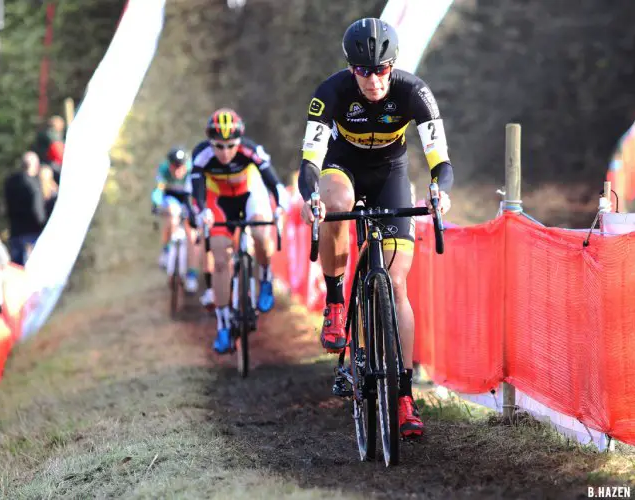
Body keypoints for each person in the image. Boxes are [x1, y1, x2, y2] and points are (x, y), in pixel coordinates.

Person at [296, 18, 454, 439]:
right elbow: (309, 161)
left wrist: (440, 190)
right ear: (351, 69)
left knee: (397, 285)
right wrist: (311, 195)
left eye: (381, 69)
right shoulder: (330, 93)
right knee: (335, 205)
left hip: (390, 175)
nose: (373, 79)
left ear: (393, 65)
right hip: (342, 169)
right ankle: (334, 301)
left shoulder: (413, 91)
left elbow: (441, 161)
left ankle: (403, 395)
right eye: (364, 70)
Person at [191, 108, 290, 353]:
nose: (224, 153)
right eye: (218, 146)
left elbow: (273, 182)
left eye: (230, 145)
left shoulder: (250, 150)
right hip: (219, 202)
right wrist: (202, 210)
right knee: (221, 260)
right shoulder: (201, 155)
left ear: (240, 140)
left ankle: (265, 276)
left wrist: (281, 204)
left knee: (259, 232)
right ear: (209, 142)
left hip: (249, 195)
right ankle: (223, 325)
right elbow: (197, 190)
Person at [151, 147, 201, 293]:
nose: (178, 170)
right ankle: (166, 251)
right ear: (169, 164)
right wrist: (156, 204)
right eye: (174, 165)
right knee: (172, 216)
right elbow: (158, 190)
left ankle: (192, 275)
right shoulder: (164, 170)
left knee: (192, 236)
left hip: (189, 199)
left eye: (181, 166)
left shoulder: (193, 171)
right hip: (171, 197)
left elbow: (197, 194)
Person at [3, 152, 47, 265]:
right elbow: (37, 210)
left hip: (15, 233)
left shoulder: (10, 182)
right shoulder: (33, 185)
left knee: (17, 270)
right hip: (31, 235)